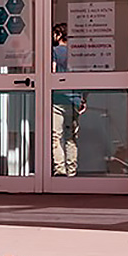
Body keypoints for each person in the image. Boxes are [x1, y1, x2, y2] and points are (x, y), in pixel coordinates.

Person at [50, 23, 85, 177]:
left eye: (54, 34)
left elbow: (52, 72)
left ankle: (60, 170)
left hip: (57, 98)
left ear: (59, 34)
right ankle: (72, 171)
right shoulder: (77, 54)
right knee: (71, 137)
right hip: (74, 100)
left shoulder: (54, 51)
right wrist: (82, 98)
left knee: (56, 137)